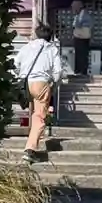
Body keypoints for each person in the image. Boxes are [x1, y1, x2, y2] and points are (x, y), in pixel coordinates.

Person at [14, 25, 63, 161]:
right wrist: (53, 84)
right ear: (50, 37)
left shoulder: (27, 47)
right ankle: (30, 149)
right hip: (41, 83)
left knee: (32, 112)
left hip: (26, 83)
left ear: (36, 35)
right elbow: (58, 71)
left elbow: (15, 64)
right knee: (39, 116)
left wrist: (21, 76)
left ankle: (31, 136)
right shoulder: (52, 49)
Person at [69, 0, 92, 77]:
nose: (73, 9)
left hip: (82, 38)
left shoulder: (83, 14)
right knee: (79, 55)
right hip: (79, 37)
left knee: (82, 55)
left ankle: (82, 71)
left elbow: (79, 25)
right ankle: (79, 71)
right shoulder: (79, 14)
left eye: (74, 7)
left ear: (78, 7)